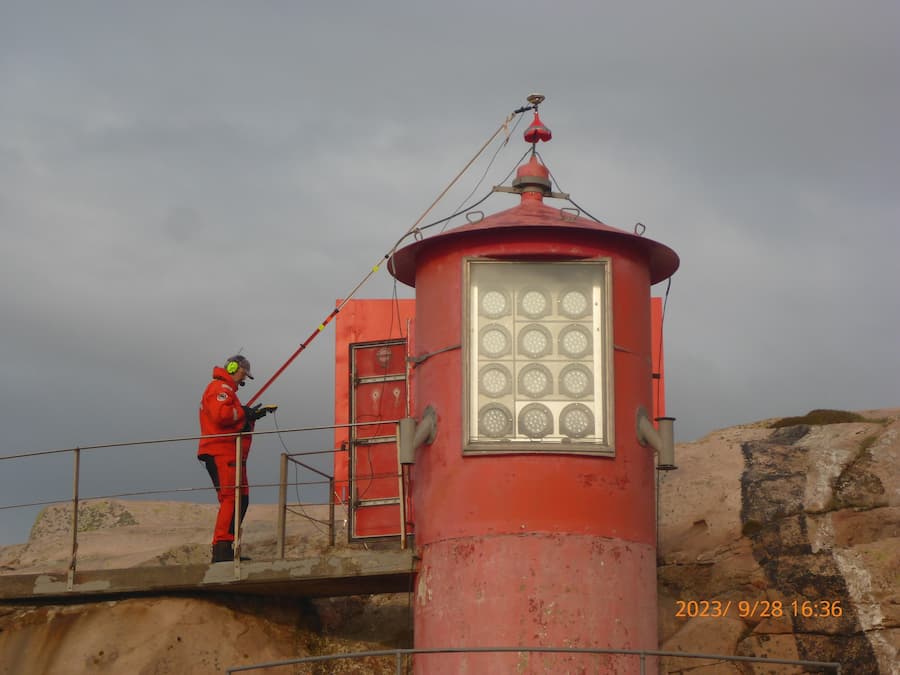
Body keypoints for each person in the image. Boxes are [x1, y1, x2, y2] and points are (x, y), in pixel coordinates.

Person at [197, 355, 273, 563]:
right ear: (232, 368)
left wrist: (250, 416)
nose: (243, 380)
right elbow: (222, 416)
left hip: (232, 452)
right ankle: (222, 551)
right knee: (232, 498)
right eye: (242, 374)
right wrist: (244, 413)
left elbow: (232, 419)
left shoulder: (226, 390)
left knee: (242, 499)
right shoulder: (220, 388)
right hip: (222, 451)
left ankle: (227, 549)